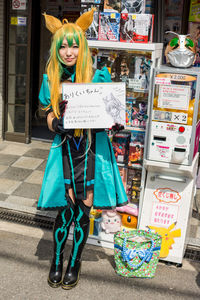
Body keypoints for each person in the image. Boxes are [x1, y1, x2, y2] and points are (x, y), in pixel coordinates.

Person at [37, 10, 128, 290]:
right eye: (63, 45)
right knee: (66, 207)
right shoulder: (50, 77)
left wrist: (115, 124)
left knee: (84, 209)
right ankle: (56, 261)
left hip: (92, 150)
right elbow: (46, 112)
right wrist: (56, 125)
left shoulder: (98, 75)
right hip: (65, 148)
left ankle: (74, 262)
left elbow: (113, 113)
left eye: (74, 44)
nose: (68, 51)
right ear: (56, 47)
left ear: (83, 46)